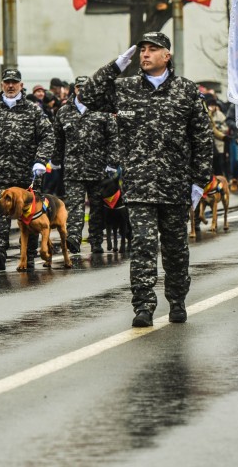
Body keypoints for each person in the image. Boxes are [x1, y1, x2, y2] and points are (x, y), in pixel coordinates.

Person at [79, 32, 212, 328]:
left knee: (176, 248)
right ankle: (143, 306)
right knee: (142, 245)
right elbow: (86, 97)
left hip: (175, 185)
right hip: (139, 186)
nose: (145, 54)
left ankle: (177, 300)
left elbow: (201, 138)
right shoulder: (124, 88)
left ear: (167, 56)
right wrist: (116, 65)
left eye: (153, 49)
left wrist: (199, 181)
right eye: (142, 50)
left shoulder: (186, 91)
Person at [0, 68, 56, 271]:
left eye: (14, 82)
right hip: (0, 173)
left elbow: (48, 136)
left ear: (21, 85)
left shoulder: (33, 110)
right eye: (7, 82)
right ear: (2, 84)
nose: (10, 86)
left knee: (31, 216)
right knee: (1, 212)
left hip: (27, 174)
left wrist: (41, 161)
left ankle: (29, 256)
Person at [51, 76, 119, 255]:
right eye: (80, 88)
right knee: (74, 207)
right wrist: (55, 161)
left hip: (98, 169)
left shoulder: (103, 111)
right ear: (75, 89)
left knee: (97, 208)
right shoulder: (64, 112)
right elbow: (58, 140)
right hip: (73, 169)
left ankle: (96, 240)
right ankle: (73, 238)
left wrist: (112, 162)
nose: (84, 91)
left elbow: (113, 138)